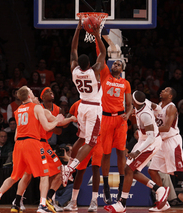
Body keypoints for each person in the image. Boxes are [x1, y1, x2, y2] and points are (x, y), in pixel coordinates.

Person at [0, 86, 64, 213]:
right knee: (44, 174)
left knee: (15, 176)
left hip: (18, 145)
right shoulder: (37, 107)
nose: (33, 94)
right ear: (28, 96)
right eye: (32, 92)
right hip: (32, 143)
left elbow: (16, 135)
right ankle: (42, 205)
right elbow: (47, 126)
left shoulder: (17, 111)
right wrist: (57, 120)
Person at [104, 91, 169, 213]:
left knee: (129, 170)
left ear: (134, 101)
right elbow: (159, 109)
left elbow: (150, 138)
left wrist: (137, 151)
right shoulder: (147, 103)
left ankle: (122, 203)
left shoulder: (145, 115)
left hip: (151, 143)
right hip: (143, 141)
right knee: (129, 170)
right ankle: (159, 189)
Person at [61, 18, 106, 187]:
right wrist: (96, 36)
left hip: (82, 106)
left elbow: (73, 49)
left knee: (80, 138)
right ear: (90, 64)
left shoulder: (74, 69)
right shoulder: (95, 71)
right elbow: (103, 54)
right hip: (94, 108)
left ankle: (69, 165)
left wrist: (78, 29)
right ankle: (70, 167)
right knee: (91, 142)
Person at [96, 42, 133, 204]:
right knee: (106, 154)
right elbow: (101, 54)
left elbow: (130, 105)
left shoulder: (126, 83)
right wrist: (98, 36)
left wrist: (128, 114)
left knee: (121, 152)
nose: (115, 64)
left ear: (122, 69)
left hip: (120, 119)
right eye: (114, 63)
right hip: (105, 118)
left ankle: (120, 187)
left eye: (118, 64)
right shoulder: (105, 74)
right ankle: (105, 189)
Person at [63, 100, 103, 212]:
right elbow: (68, 117)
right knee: (80, 170)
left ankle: (94, 201)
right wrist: (63, 118)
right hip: (85, 139)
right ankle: (73, 201)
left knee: (96, 168)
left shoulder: (99, 102)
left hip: (99, 138)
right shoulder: (76, 104)